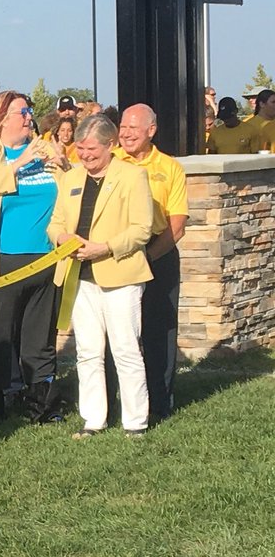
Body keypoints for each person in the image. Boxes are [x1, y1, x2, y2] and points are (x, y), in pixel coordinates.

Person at [0, 90, 67, 425]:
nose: (29, 117)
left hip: (46, 257)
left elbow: (68, 192)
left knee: (40, 333)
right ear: (3, 117)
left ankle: (41, 403)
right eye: (23, 112)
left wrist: (65, 165)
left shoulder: (45, 149)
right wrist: (18, 164)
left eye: (29, 111)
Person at [49, 114, 154, 437]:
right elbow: (55, 223)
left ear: (111, 145)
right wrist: (61, 239)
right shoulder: (71, 178)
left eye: (92, 149)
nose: (85, 156)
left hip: (120, 276)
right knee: (88, 351)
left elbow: (142, 229)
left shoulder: (133, 177)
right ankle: (93, 419)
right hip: (78, 277)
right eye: (80, 149)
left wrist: (104, 248)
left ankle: (135, 422)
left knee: (125, 348)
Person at [116, 104, 188, 422]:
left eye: (133, 127)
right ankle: (118, 402)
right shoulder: (112, 161)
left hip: (156, 253)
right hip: (117, 252)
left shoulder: (170, 168)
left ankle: (160, 402)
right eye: (123, 127)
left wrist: (149, 256)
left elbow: (177, 224)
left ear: (151, 130)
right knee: (120, 332)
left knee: (159, 331)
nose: (126, 133)